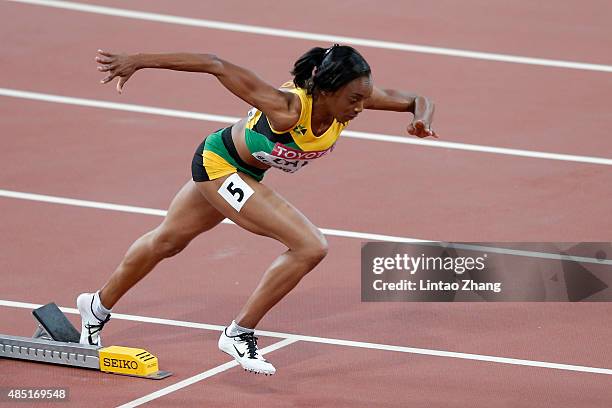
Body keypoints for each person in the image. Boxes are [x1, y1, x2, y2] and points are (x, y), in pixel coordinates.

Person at [77, 44, 436, 375]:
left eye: (364, 98)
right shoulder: (287, 107)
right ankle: (239, 332)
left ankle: (95, 307)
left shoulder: (349, 100)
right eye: (355, 98)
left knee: (166, 241)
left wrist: (422, 120)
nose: (360, 107)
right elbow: (214, 64)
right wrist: (138, 60)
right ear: (326, 90)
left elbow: (418, 99)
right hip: (219, 164)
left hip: (245, 171)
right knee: (310, 245)